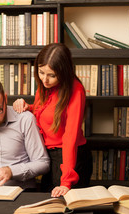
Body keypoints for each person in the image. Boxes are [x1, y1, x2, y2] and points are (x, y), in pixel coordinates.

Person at [13, 43, 92, 197]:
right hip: (48, 155)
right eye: (41, 72)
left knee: (64, 207)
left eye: (52, 75)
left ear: (63, 72)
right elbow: (44, 110)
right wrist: (27, 106)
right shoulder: (45, 85)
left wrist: (66, 181)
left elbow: (70, 137)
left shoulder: (75, 90)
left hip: (70, 157)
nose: (45, 79)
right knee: (45, 202)